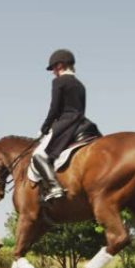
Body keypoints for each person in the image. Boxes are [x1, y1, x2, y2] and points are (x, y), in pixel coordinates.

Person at [33, 49, 100, 202]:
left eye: (53, 68)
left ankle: (53, 186)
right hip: (83, 122)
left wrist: (44, 128)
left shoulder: (59, 82)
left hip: (66, 123)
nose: (53, 73)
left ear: (60, 65)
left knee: (39, 155)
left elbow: (54, 108)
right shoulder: (80, 85)